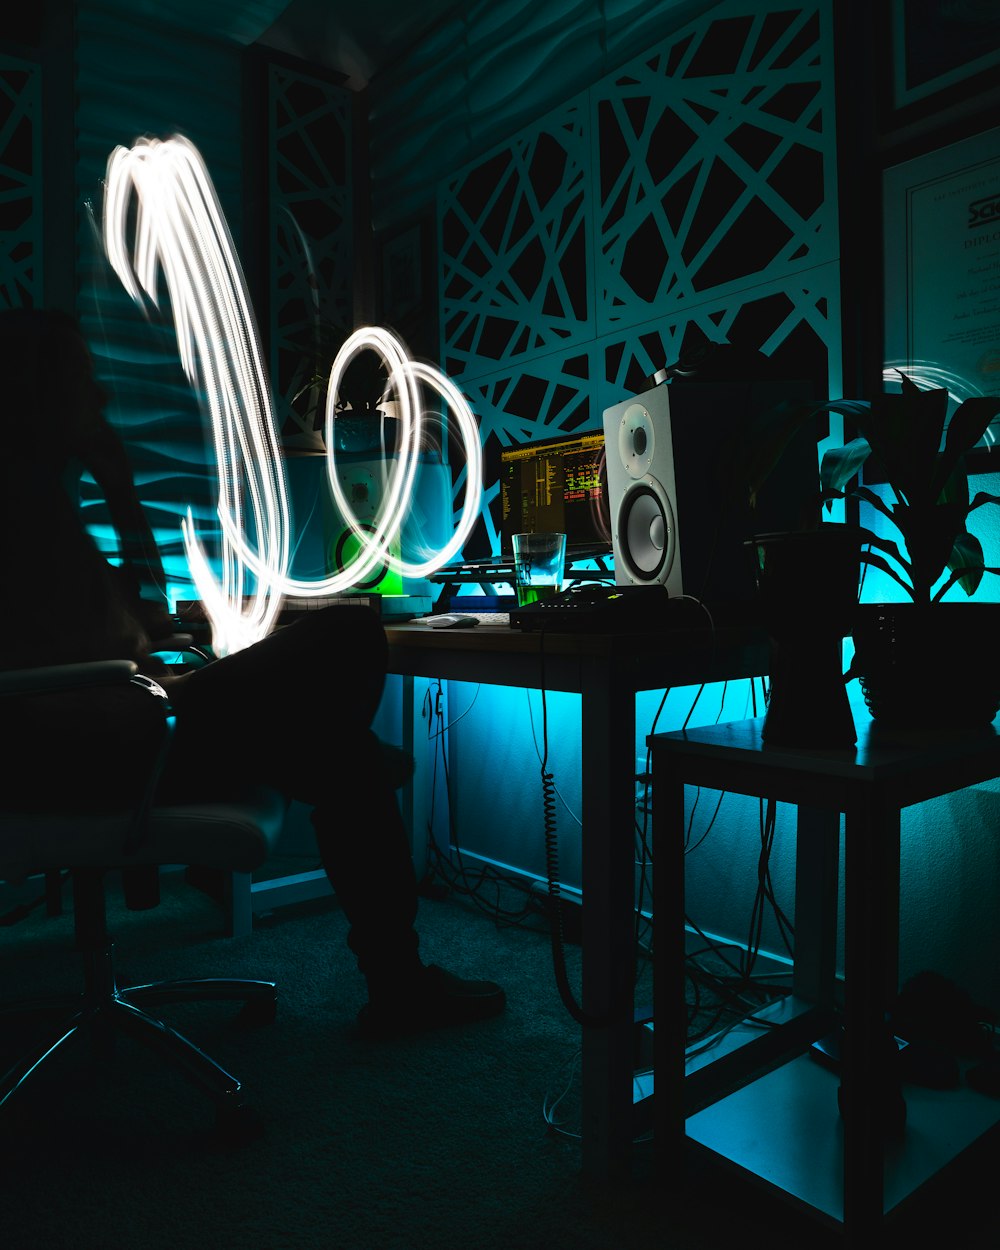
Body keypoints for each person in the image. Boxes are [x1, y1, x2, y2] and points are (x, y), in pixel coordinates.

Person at [0, 306, 505, 1038]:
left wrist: (110, 485)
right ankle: (396, 974)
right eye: (85, 384)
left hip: (101, 737)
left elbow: (134, 630)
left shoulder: (35, 501)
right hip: (100, 752)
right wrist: (113, 475)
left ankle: (391, 954)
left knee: (331, 736)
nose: (102, 401)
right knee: (352, 634)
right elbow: (126, 640)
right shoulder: (24, 512)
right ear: (40, 397)